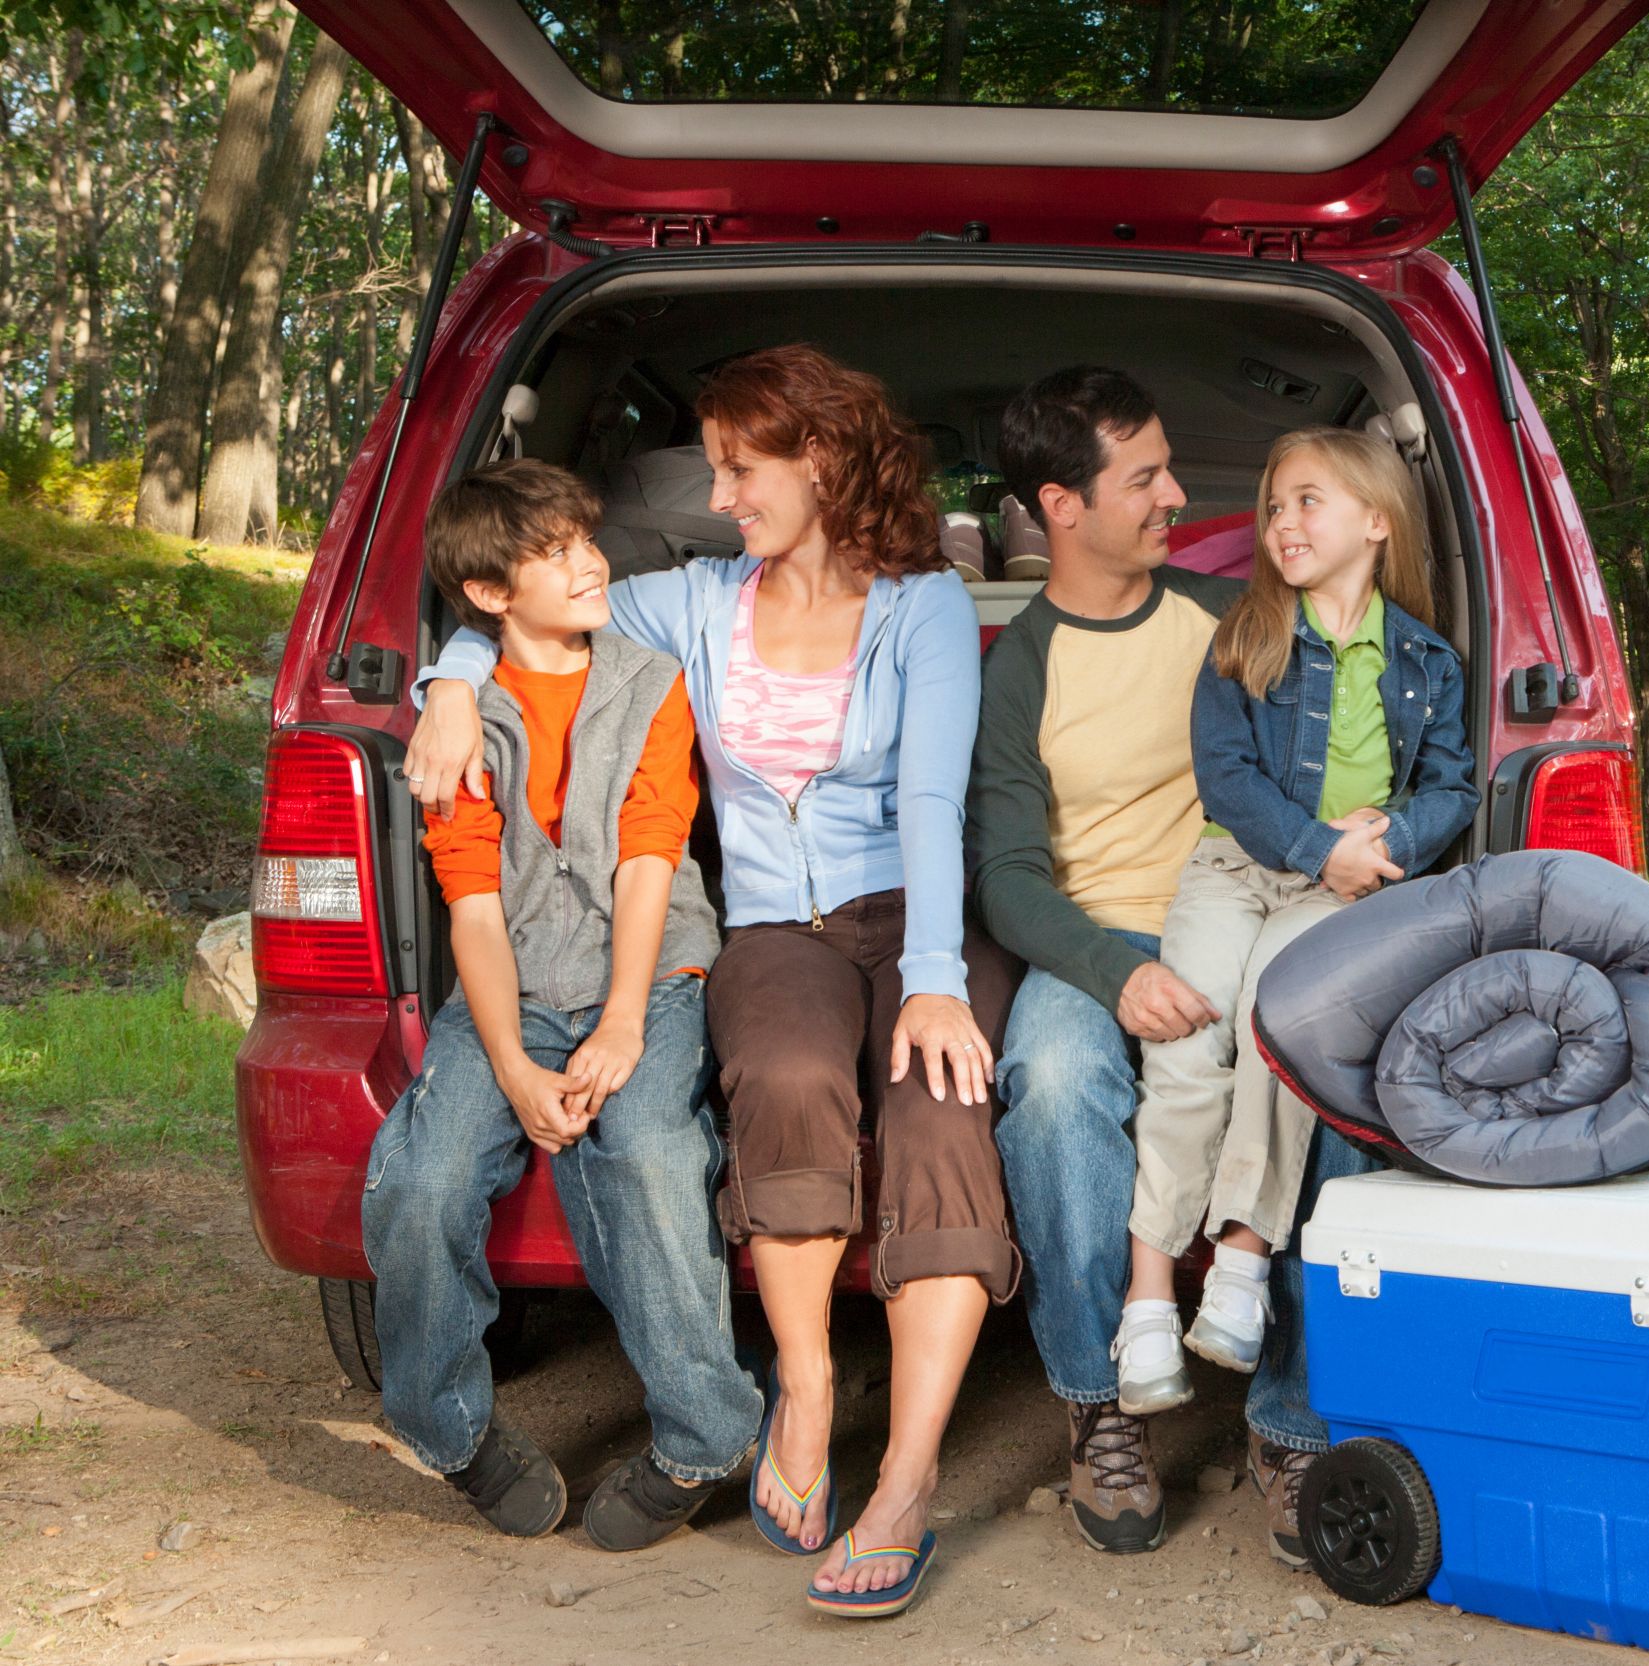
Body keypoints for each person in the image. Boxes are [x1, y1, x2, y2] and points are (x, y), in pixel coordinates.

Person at [406, 348, 1017, 1619]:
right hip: (774, 923)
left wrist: (933, 979)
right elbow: (521, 614)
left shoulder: (924, 608)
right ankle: (803, 1388)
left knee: (938, 1108)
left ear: (823, 459)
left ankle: (905, 1480)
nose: (720, 496)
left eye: (739, 469)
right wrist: (450, 688)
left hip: (915, 913)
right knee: (784, 1075)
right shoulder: (689, 601)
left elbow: (929, 798)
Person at [969, 368, 1388, 1567]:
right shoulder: (1021, 662)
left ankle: (1290, 1421)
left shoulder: (1232, 617)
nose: (1174, 496)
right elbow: (1006, 876)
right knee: (1053, 1086)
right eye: (1145, 477)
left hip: (1258, 917)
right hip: (1095, 941)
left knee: (1333, 1087)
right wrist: (1116, 973)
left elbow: (1355, 719)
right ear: (1062, 506)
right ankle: (1098, 1398)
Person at [364, 458, 760, 1551]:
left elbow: (649, 859)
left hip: (650, 971)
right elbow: (473, 909)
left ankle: (705, 1436)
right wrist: (514, 1067)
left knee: (649, 1155)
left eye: (587, 539)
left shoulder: (651, 683)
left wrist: (625, 1019)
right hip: (514, 983)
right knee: (428, 1176)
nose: (590, 563)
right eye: (555, 552)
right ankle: (450, 1433)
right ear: (490, 593)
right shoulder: (460, 723)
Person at [1115, 427, 1476, 1416]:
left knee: (1278, 1032)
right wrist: (1321, 845)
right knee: (1187, 1039)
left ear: (1376, 520)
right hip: (1236, 871)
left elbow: (1451, 786)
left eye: (1307, 500)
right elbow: (1226, 777)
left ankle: (1241, 1257)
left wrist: (1387, 840)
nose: (1282, 521)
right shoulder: (1247, 635)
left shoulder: (1427, 660)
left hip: (1339, 891)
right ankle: (1148, 1295)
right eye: (1274, 505)